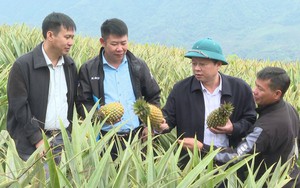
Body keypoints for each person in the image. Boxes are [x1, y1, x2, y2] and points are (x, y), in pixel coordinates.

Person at [179, 67, 300, 187]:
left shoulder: (265, 127)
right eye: (256, 85)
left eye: (260, 89)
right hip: (292, 178)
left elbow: (237, 156)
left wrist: (201, 148)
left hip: (273, 184)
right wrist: (233, 129)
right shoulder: (289, 109)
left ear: (277, 94)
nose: (254, 91)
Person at [77, 18, 164, 159]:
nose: (120, 48)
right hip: (104, 139)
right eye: (114, 44)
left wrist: (150, 125)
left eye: (124, 43)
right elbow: (82, 102)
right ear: (102, 42)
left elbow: (154, 96)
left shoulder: (138, 66)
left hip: (137, 136)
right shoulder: (89, 69)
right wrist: (99, 116)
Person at [162, 38, 257, 167]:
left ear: (218, 64)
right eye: (194, 63)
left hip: (228, 161)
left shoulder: (239, 88)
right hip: (191, 163)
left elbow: (251, 120)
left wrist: (232, 128)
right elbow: (169, 117)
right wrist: (161, 125)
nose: (197, 68)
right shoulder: (181, 89)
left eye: (202, 64)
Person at [7, 12, 78, 164]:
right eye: (67, 37)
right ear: (50, 35)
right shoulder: (23, 65)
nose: (71, 42)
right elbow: (19, 106)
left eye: (72, 37)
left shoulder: (70, 66)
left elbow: (70, 101)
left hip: (62, 140)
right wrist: (38, 139)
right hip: (31, 143)